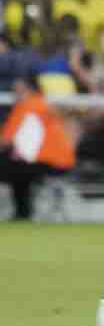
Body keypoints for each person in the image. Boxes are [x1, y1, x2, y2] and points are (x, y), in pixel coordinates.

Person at [1, 75, 75, 220]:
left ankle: (22, 212)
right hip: (61, 162)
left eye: (18, 90)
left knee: (13, 169)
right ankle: (23, 211)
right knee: (17, 170)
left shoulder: (28, 106)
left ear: (29, 89)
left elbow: (6, 140)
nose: (15, 94)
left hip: (48, 161)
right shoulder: (42, 105)